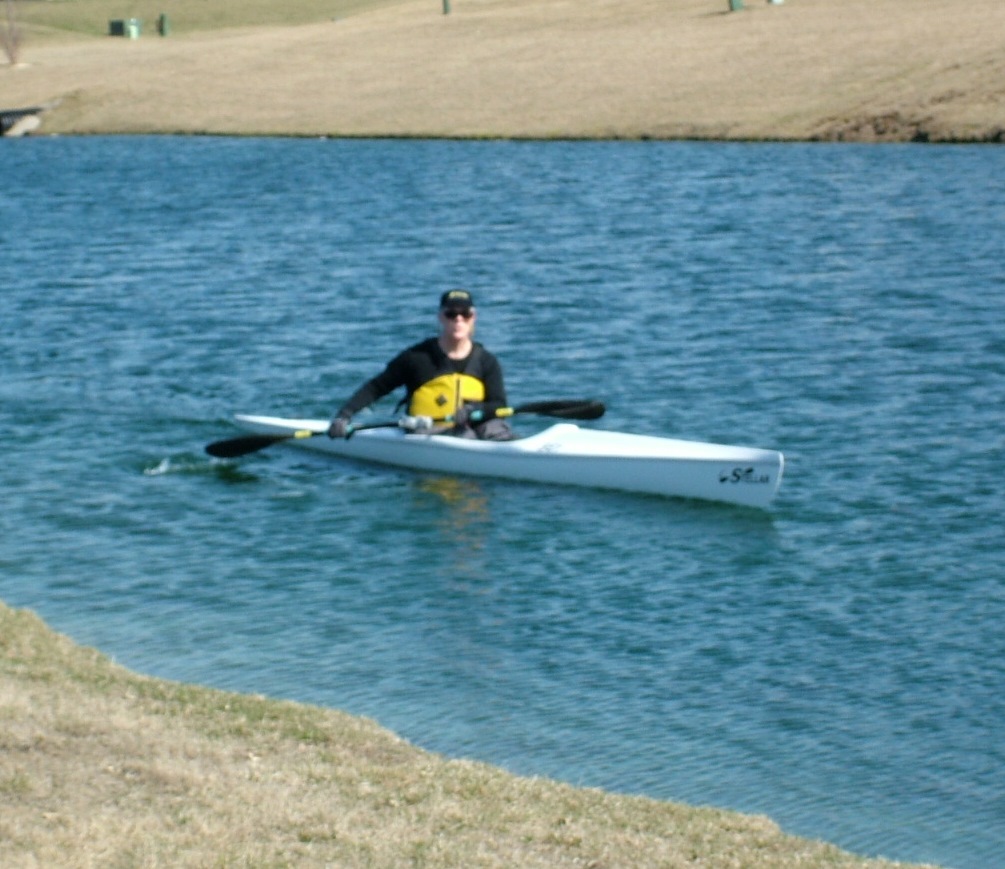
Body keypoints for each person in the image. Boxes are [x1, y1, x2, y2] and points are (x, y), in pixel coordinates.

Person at [328, 289, 514, 440]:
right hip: (428, 432)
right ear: (441, 317)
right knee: (467, 436)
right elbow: (376, 387)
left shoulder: (487, 361)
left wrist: (474, 410)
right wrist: (344, 415)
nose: (458, 319)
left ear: (473, 317)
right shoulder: (416, 358)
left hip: (471, 427)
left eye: (465, 314)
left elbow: (499, 404)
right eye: (451, 314)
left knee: (495, 428)